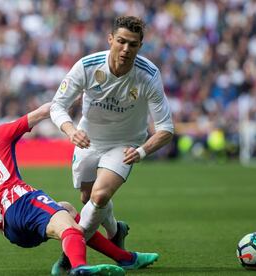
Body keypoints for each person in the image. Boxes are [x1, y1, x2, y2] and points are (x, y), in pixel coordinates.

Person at [0, 104, 134, 275]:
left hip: (10, 229)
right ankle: (80, 268)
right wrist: (67, 102)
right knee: (69, 228)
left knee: (67, 210)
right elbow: (43, 111)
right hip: (22, 202)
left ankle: (124, 257)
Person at [50, 15, 173, 272]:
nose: (126, 49)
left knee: (100, 194)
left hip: (125, 144)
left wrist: (141, 151)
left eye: (133, 44)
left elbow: (166, 129)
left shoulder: (148, 75)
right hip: (88, 140)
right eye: (121, 41)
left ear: (140, 46)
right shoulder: (87, 66)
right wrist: (71, 130)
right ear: (110, 40)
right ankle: (116, 231)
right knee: (87, 198)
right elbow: (57, 106)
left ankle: (71, 253)